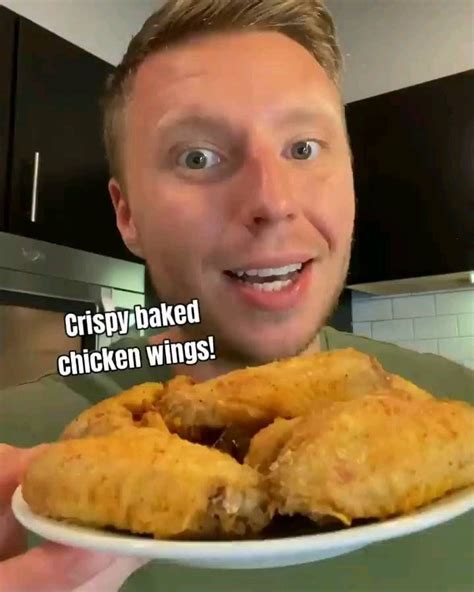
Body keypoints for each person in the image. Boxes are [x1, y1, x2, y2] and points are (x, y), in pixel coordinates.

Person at [1, 1, 472, 590]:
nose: (272, 203)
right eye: (198, 157)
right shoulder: (17, 448)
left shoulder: (455, 402)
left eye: (303, 148)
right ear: (128, 216)